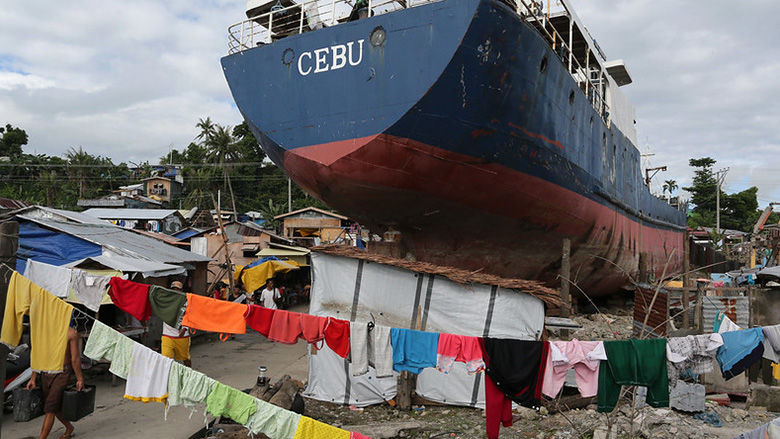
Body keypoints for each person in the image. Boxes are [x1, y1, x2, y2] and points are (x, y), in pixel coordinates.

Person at [27, 325, 84, 439]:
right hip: (46, 372)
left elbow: (75, 358)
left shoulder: (71, 333)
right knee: (54, 407)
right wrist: (33, 377)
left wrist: (79, 378)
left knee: (50, 408)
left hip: (62, 373)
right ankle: (69, 427)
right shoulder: (44, 330)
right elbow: (38, 355)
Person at [161, 280, 192, 367]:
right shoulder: (165, 301)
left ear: (181, 290)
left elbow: (189, 315)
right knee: (166, 360)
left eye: (177, 289)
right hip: (167, 335)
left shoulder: (186, 301)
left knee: (185, 359)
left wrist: (185, 327)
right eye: (173, 289)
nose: (175, 291)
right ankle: (168, 378)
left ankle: (189, 374)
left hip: (182, 335)